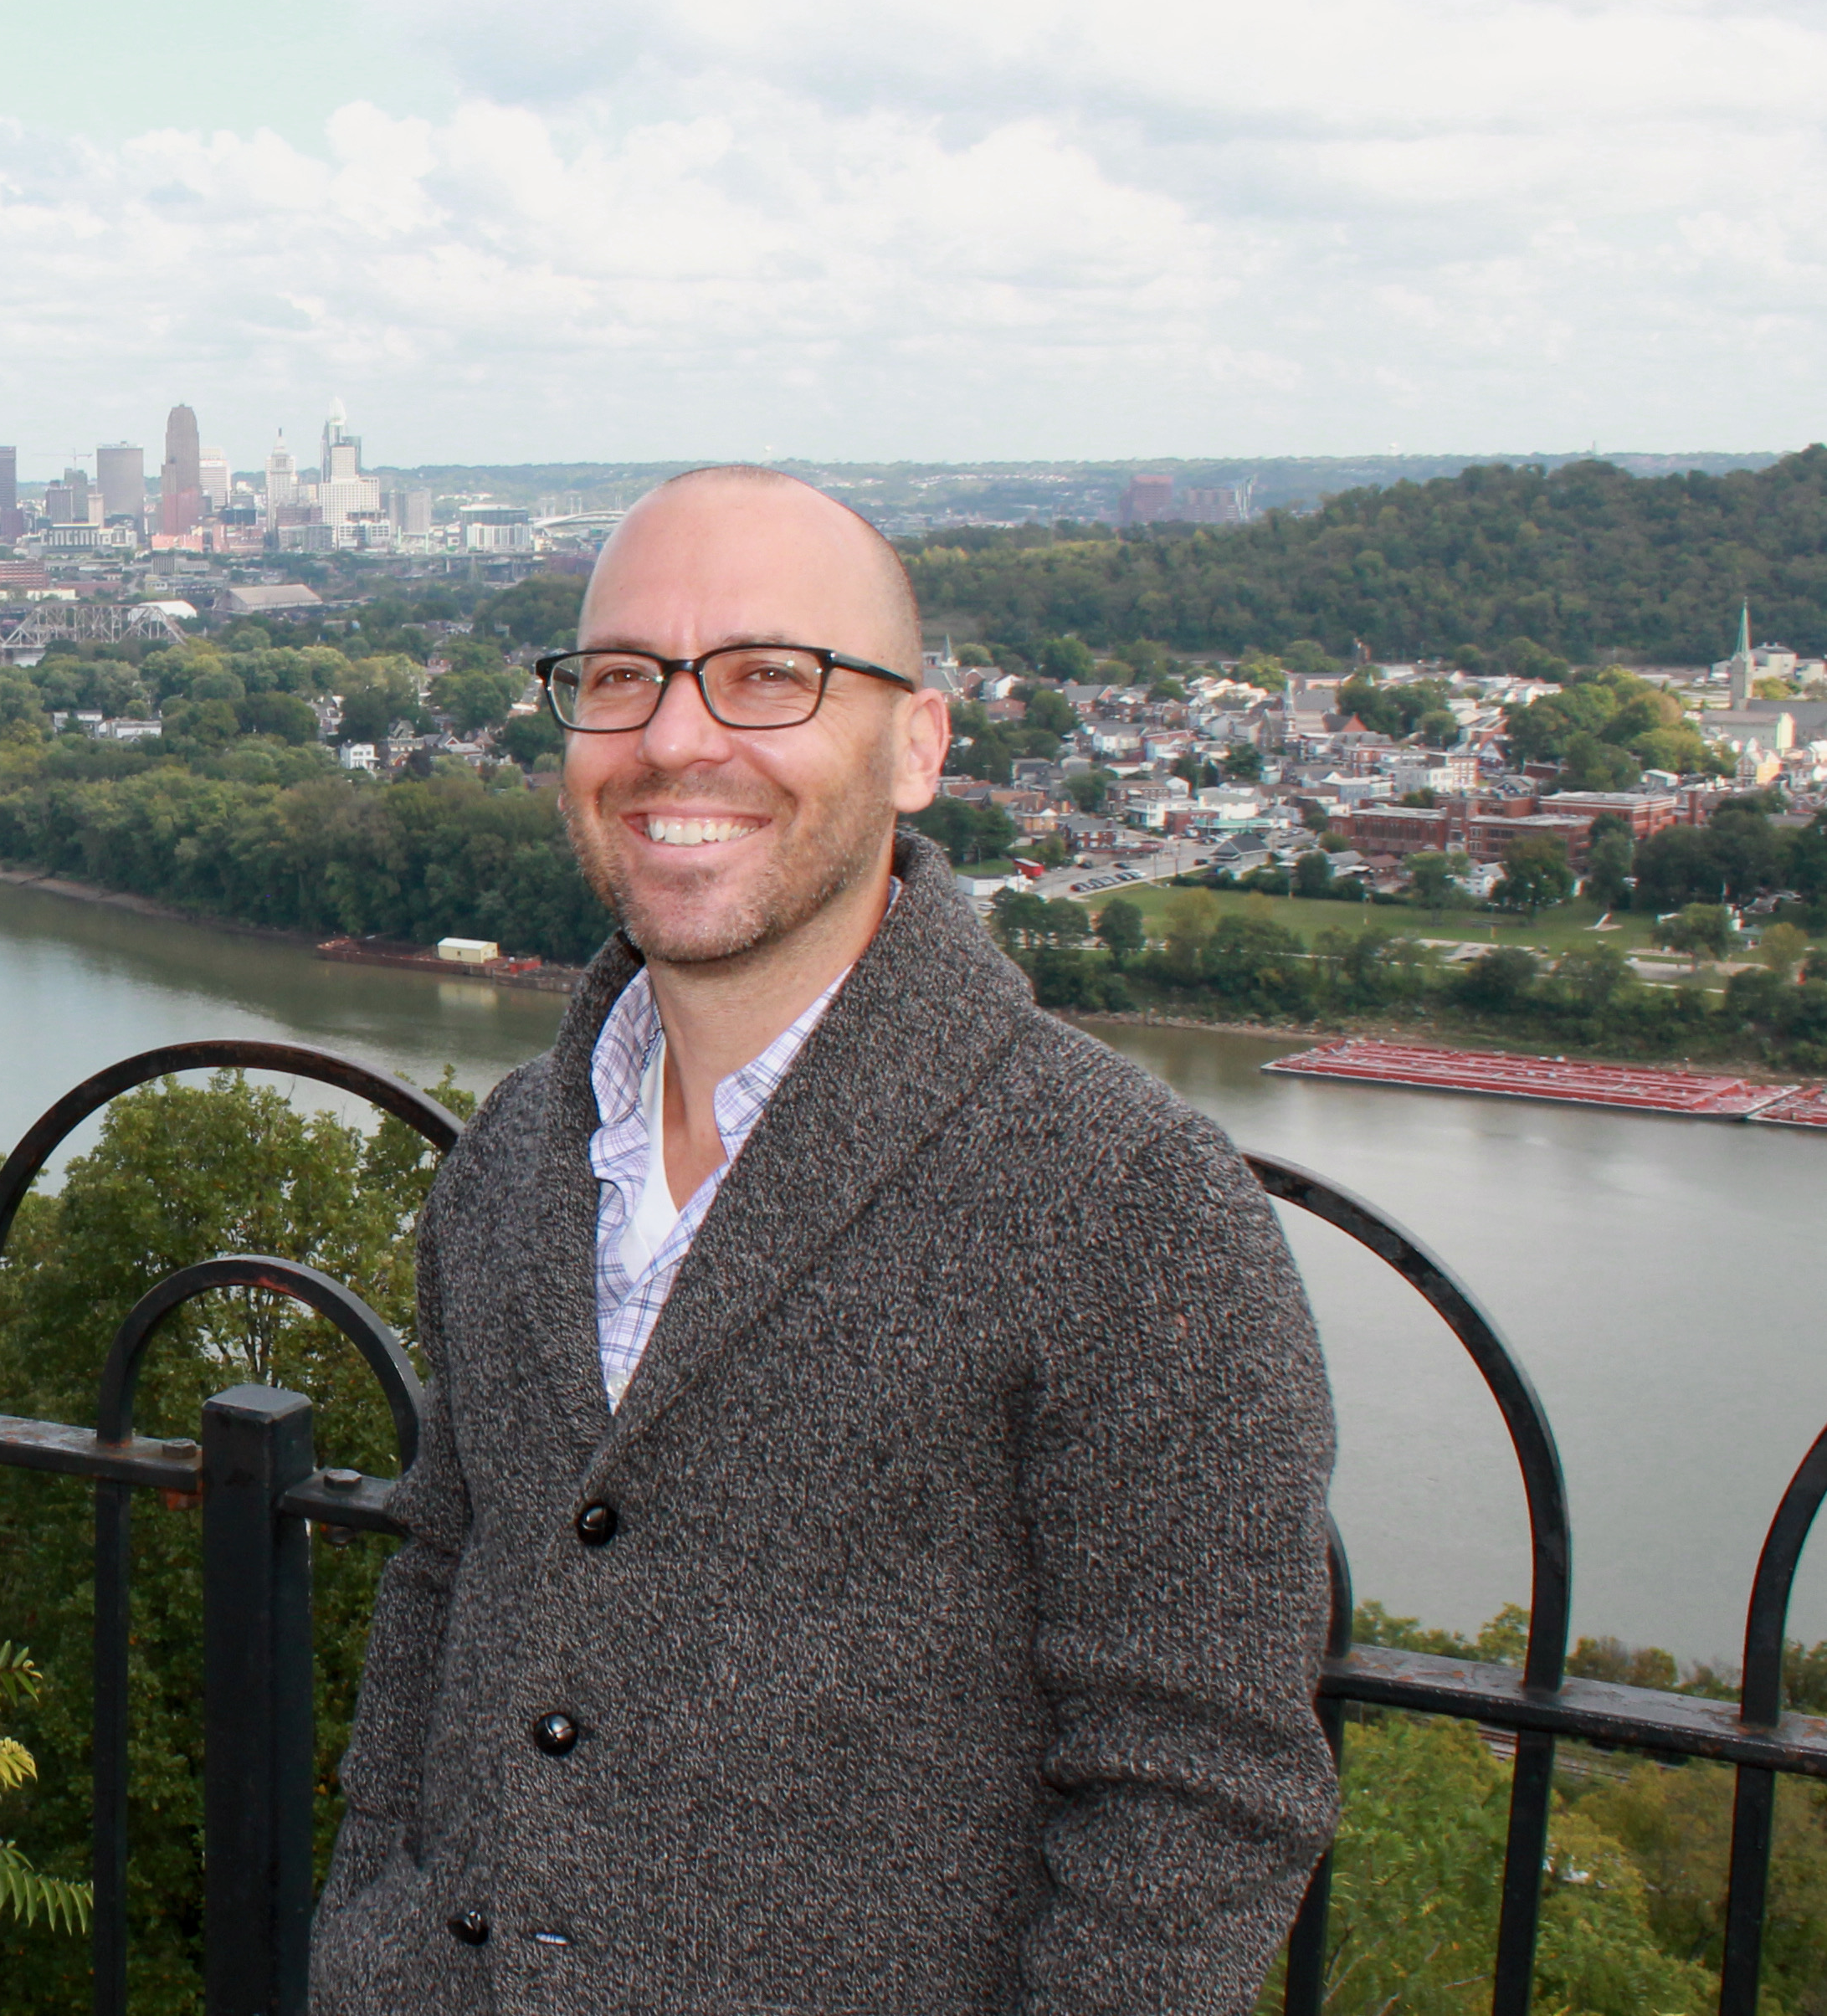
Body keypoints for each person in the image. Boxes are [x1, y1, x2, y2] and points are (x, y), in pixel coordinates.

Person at [310, 467, 1337, 2014]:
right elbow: (448, 1579)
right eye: (618, 678)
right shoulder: (514, 1156)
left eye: (769, 675)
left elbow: (1198, 1802)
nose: (673, 735)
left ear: (917, 742)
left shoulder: (1129, 1206)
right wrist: (369, 1944)